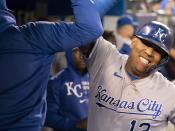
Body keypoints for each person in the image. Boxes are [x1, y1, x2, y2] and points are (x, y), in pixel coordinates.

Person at [0, 0, 103, 130]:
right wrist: (75, 124)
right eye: (77, 51)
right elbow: (90, 27)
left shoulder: (95, 77)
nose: (82, 55)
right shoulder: (32, 38)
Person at [79, 21, 175, 131]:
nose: (149, 52)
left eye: (157, 50)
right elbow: (84, 28)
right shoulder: (105, 59)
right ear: (133, 41)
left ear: (162, 60)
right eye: (146, 43)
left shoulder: (169, 93)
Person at [44, 48, 89, 131]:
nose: (82, 55)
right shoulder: (56, 81)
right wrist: (77, 124)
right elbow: (47, 117)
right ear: (68, 53)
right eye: (77, 51)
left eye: (85, 50)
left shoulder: (95, 79)